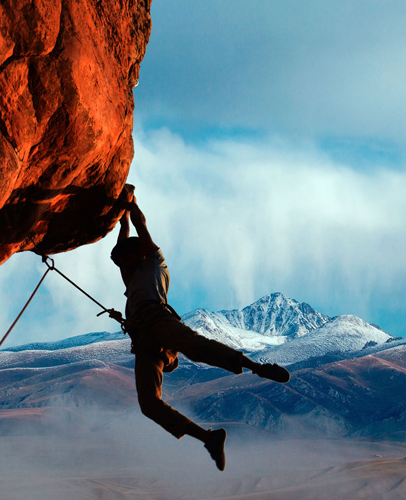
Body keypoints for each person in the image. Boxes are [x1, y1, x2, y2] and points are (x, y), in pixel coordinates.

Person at [107, 185, 290, 471]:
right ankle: (208, 438)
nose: (123, 266)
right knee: (148, 404)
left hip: (158, 321)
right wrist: (122, 222)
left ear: (138, 255)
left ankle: (257, 367)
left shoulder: (155, 263)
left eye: (125, 260)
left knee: (197, 347)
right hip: (144, 338)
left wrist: (131, 206)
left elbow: (140, 228)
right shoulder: (132, 279)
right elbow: (125, 243)